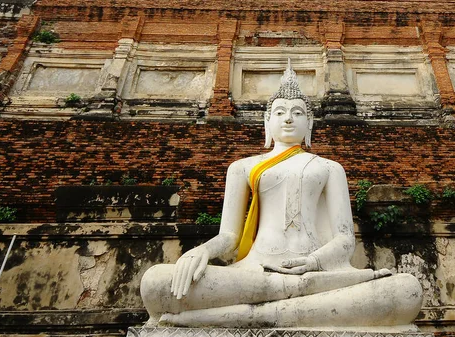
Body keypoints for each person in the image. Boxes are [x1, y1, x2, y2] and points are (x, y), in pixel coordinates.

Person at [140, 61, 422, 329]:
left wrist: (311, 264)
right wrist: (203, 250)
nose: (288, 118)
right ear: (267, 122)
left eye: (298, 112)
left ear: (309, 123)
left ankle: (240, 315)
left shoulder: (329, 168)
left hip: (317, 273)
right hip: (255, 273)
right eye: (279, 112)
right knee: (156, 283)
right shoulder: (242, 167)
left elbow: (345, 239)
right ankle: (289, 305)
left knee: (406, 290)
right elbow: (229, 238)